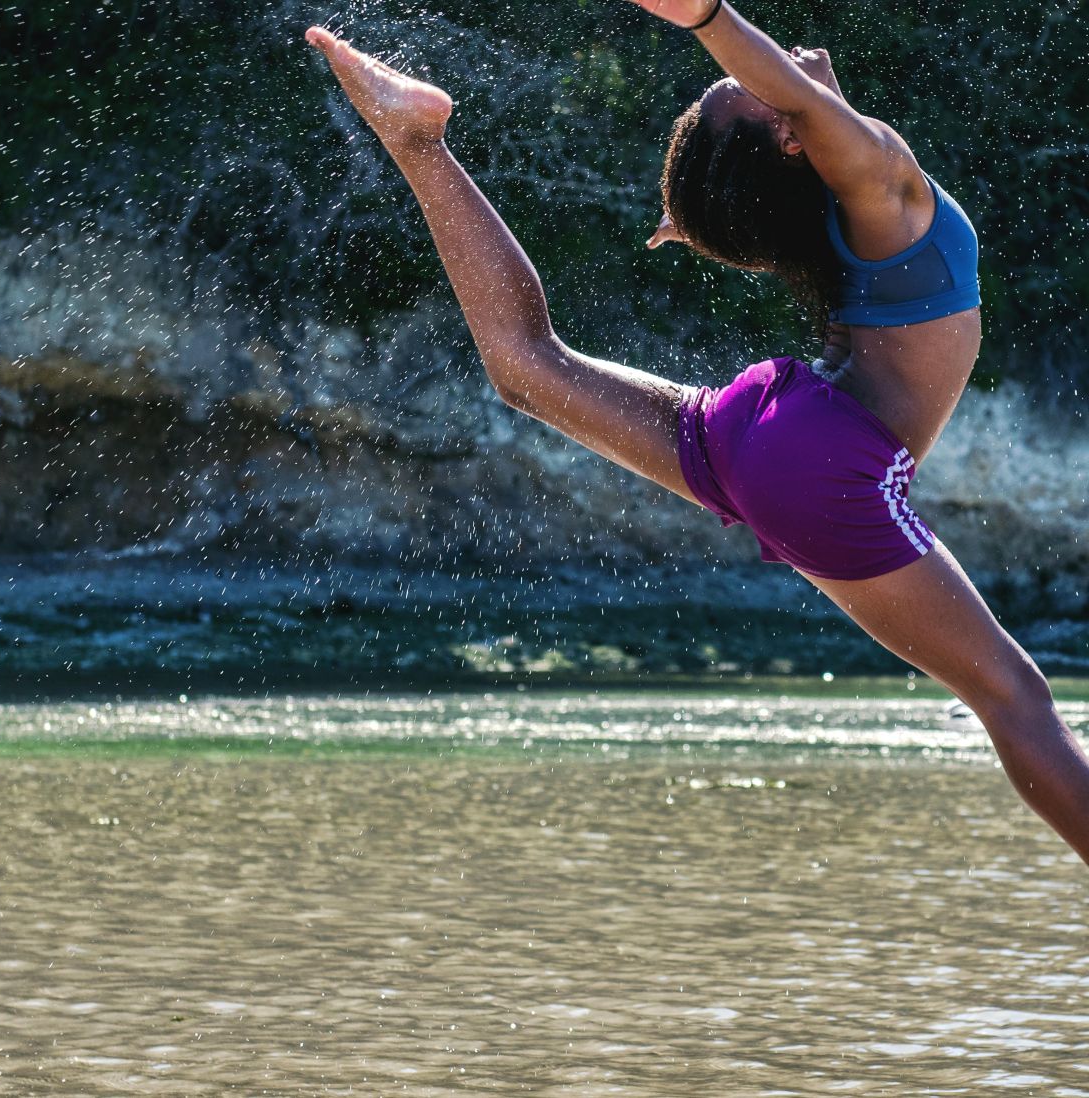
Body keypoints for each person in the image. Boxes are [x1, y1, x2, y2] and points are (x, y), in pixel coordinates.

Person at [303, 1, 1089, 862]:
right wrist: (708, 16)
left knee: (530, 367)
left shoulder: (840, 216)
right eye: (754, 87)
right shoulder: (882, 185)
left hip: (765, 428)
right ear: (794, 135)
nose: (781, 62)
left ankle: (418, 143)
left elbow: (772, 155)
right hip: (819, 455)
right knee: (1016, 698)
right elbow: (792, 91)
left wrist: (710, 209)